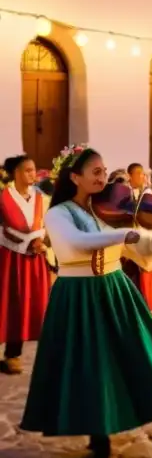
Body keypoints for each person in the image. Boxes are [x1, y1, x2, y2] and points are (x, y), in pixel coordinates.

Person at [20, 146, 152, 458]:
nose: (104, 177)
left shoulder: (109, 211)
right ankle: (100, 441)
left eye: (104, 171)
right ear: (75, 178)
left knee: (120, 362)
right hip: (79, 294)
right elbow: (72, 243)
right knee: (90, 366)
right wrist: (122, 234)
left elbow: (148, 252)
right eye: (95, 172)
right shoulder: (58, 214)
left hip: (115, 290)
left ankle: (118, 420)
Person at [0, 155, 50, 375]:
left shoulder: (39, 198)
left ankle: (13, 354)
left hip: (34, 260)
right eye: (28, 170)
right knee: (8, 303)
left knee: (27, 304)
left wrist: (42, 240)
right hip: (10, 259)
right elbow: (12, 226)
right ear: (16, 173)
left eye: (34, 170)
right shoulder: (3, 198)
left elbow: (43, 224)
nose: (33, 174)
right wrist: (29, 240)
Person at [120, 163, 152, 315]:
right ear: (130, 176)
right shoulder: (123, 193)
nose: (143, 177)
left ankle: (149, 303)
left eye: (144, 174)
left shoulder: (148, 194)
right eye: (139, 174)